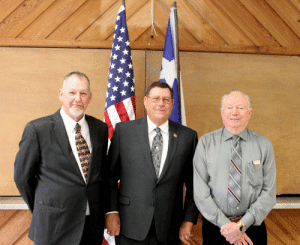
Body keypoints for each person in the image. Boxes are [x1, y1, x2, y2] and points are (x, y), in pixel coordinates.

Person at [14, 72, 109, 245]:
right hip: (53, 226)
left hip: (91, 225)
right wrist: (43, 207)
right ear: (61, 94)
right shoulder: (38, 129)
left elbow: (102, 175)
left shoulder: (100, 129)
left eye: (83, 93)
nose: (77, 98)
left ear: (90, 97)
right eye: (72, 93)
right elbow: (22, 177)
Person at [105, 81, 199, 245]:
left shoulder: (187, 137)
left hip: (170, 227)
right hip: (129, 225)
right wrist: (112, 212)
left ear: (172, 104)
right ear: (146, 101)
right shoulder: (124, 131)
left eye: (166, 99)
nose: (161, 103)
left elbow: (195, 185)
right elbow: (110, 177)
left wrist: (189, 220)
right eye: (155, 98)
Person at [193, 90, 276, 245]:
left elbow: (269, 193)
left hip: (252, 227)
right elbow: (200, 193)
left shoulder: (264, 145)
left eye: (240, 108)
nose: (234, 113)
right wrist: (226, 226)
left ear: (250, 112)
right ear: (222, 111)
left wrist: (241, 225)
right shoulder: (205, 143)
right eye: (229, 107)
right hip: (216, 228)